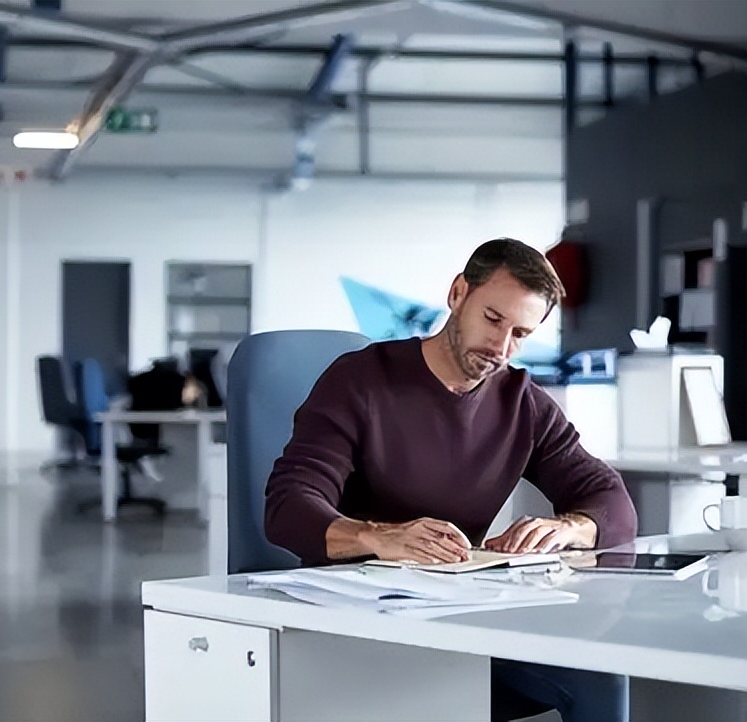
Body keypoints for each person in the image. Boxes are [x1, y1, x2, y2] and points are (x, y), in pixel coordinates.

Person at [264, 238, 639, 722]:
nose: (501, 348)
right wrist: (380, 537)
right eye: (493, 319)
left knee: (601, 672)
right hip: (356, 624)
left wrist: (568, 527)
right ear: (458, 293)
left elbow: (611, 500)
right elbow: (288, 506)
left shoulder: (521, 402)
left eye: (521, 334)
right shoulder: (359, 380)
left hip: (459, 620)